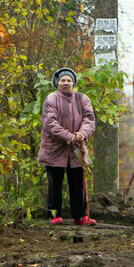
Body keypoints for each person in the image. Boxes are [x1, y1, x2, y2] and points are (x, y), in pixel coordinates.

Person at [37, 68, 97, 226]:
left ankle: (81, 216)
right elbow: (50, 124)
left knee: (78, 182)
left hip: (76, 147)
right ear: (57, 82)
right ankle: (54, 215)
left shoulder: (82, 99)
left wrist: (82, 134)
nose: (66, 83)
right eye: (63, 80)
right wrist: (70, 137)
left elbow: (89, 119)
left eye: (69, 80)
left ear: (73, 83)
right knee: (54, 183)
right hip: (54, 148)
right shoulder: (51, 99)